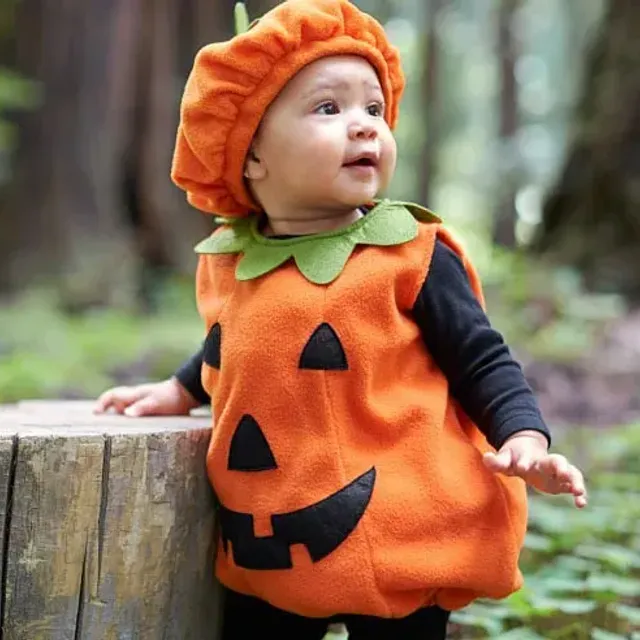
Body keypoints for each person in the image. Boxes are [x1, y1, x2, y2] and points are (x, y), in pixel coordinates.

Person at [95, 1, 587, 638]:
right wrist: (181, 388)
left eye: (374, 110)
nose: (364, 128)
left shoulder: (410, 254)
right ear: (250, 155)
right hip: (270, 526)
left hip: (399, 524)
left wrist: (524, 436)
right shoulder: (233, 258)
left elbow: (481, 357)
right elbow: (232, 340)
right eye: (329, 108)